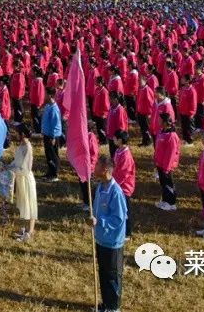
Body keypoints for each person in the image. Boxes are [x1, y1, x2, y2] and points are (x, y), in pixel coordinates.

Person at [91, 155, 127, 312]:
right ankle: (105, 304)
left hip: (112, 242)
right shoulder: (100, 187)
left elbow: (118, 218)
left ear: (105, 169)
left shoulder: (116, 192)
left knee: (112, 275)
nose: (94, 166)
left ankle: (113, 307)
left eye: (97, 164)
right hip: (100, 239)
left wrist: (100, 222)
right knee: (103, 272)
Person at [9, 123, 38, 242]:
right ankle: (24, 229)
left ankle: (30, 232)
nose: (15, 135)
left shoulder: (28, 147)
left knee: (29, 205)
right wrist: (8, 167)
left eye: (17, 133)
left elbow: (25, 168)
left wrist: (12, 169)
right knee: (22, 204)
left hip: (26, 179)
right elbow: (16, 162)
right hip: (20, 179)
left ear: (22, 134)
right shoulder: (21, 145)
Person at [112, 130, 136, 239]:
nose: (113, 139)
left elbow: (123, 174)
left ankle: (128, 232)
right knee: (120, 208)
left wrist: (114, 183)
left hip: (124, 187)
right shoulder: (118, 151)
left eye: (115, 138)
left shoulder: (126, 155)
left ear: (120, 140)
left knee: (126, 210)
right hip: (118, 185)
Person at [154, 113, 181, 211]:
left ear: (165, 122)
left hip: (166, 166)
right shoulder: (162, 132)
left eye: (160, 120)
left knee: (168, 183)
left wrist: (166, 168)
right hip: (160, 164)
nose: (158, 121)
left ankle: (171, 203)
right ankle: (165, 200)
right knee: (163, 183)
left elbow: (171, 154)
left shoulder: (172, 136)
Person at [41, 88, 63, 181]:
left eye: (45, 94)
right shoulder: (48, 106)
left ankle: (54, 174)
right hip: (47, 134)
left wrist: (53, 137)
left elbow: (56, 124)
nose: (44, 96)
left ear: (50, 95)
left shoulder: (54, 109)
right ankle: (49, 172)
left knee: (52, 155)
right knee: (48, 154)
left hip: (51, 136)